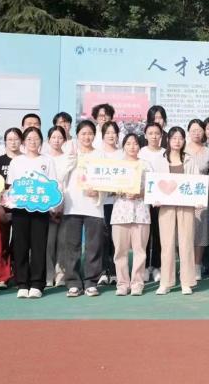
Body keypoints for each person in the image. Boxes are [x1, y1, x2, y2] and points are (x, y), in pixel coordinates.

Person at [5, 127, 57, 299]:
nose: (32, 142)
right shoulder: (16, 161)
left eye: (36, 139)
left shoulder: (47, 161)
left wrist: (53, 207)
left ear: (41, 141)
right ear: (23, 142)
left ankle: (37, 283)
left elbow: (53, 185)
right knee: (20, 246)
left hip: (40, 210)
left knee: (39, 246)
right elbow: (11, 186)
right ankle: (22, 283)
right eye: (29, 139)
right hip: (20, 210)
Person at [155, 127, 204, 295]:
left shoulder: (190, 160)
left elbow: (197, 182)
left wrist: (198, 200)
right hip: (166, 207)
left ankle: (186, 282)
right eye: (174, 138)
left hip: (186, 207)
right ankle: (166, 282)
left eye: (180, 138)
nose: (177, 141)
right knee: (167, 244)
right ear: (168, 140)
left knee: (186, 243)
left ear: (184, 141)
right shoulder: (160, 160)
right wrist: (155, 198)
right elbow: (154, 183)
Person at [63, 121, 106, 297]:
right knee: (72, 246)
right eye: (83, 133)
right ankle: (73, 282)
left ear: (94, 135)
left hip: (93, 206)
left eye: (90, 133)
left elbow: (106, 180)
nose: (87, 137)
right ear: (77, 135)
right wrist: (71, 158)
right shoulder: (70, 153)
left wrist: (99, 191)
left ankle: (91, 282)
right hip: (72, 205)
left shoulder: (100, 155)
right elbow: (61, 175)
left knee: (93, 246)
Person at [112, 133, 152, 296]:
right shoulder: (116, 165)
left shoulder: (145, 165)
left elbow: (153, 188)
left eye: (135, 143)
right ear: (123, 146)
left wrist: (139, 193)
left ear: (139, 146)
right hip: (120, 213)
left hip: (141, 212)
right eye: (128, 143)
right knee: (120, 251)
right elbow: (109, 188)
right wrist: (120, 191)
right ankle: (122, 284)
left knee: (140, 250)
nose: (132, 147)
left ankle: (137, 283)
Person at [45, 125, 76, 288]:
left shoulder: (69, 159)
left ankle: (61, 274)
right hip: (46, 206)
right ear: (48, 139)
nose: (57, 140)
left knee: (63, 242)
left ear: (64, 140)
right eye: (54, 137)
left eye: (60, 137)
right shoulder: (43, 159)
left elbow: (70, 183)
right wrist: (51, 206)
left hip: (67, 204)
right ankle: (48, 274)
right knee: (48, 242)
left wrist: (62, 204)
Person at [0, 127, 22, 289]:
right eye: (10, 139)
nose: (13, 142)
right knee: (0, 242)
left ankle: (18, 275)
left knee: (19, 242)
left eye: (16, 139)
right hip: (2, 206)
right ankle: (2, 277)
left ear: (21, 141)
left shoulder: (26, 159)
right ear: (4, 142)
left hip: (21, 206)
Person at [185, 119, 209, 281]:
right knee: (185, 230)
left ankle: (197, 265)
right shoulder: (182, 149)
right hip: (183, 195)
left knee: (201, 231)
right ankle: (186, 265)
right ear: (188, 131)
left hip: (202, 195)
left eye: (199, 130)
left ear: (204, 132)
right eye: (193, 130)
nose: (196, 133)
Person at [139, 123, 167, 283]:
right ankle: (143, 267)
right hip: (142, 199)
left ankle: (156, 266)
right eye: (150, 133)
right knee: (144, 235)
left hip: (160, 200)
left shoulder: (165, 153)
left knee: (158, 234)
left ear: (161, 135)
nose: (154, 136)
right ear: (145, 135)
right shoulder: (140, 152)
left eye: (157, 133)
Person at [97, 121, 123, 286]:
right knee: (102, 237)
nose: (111, 136)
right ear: (102, 136)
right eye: (107, 133)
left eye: (114, 132)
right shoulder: (97, 155)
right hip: (101, 202)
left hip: (118, 202)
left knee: (116, 238)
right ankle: (102, 271)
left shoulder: (122, 154)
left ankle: (114, 271)